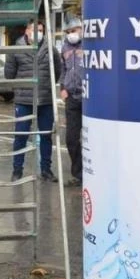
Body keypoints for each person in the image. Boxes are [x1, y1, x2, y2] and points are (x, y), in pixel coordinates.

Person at [5, 20, 62, 182]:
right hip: (24, 100)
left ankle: (46, 170)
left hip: (45, 100)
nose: (39, 33)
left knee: (46, 136)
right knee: (21, 136)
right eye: (35, 29)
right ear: (27, 31)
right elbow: (9, 74)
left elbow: (57, 70)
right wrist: (19, 89)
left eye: (41, 30)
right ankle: (17, 170)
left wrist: (47, 86)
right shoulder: (16, 49)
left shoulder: (50, 49)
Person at [59, 18, 83, 187]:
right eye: (68, 32)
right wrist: (62, 87)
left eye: (73, 30)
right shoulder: (65, 48)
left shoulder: (90, 45)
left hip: (87, 97)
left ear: (81, 29)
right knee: (71, 139)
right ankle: (78, 173)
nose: (71, 35)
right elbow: (63, 69)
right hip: (71, 97)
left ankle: (93, 173)